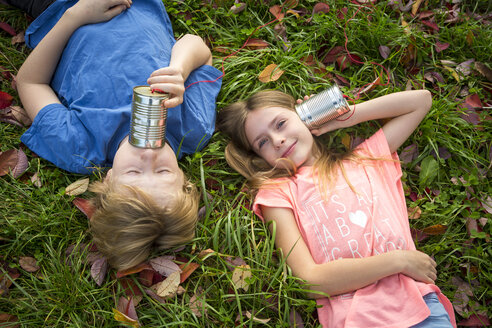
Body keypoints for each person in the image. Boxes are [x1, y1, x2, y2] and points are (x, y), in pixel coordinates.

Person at [217, 89, 457, 327]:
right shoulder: (277, 193)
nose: (277, 140)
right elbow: (309, 280)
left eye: (281, 124)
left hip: (423, 310)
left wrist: (344, 116)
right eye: (263, 142)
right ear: (260, 156)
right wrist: (399, 262)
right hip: (358, 320)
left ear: (302, 115)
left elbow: (421, 101)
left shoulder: (366, 159)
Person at [12, 0, 222, 270]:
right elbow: (198, 48)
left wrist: (74, 16)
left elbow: (30, 82)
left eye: (134, 173)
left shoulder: (79, 146)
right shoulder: (192, 126)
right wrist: (180, 69)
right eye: (163, 173)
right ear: (183, 178)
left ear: (108, 179)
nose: (149, 156)